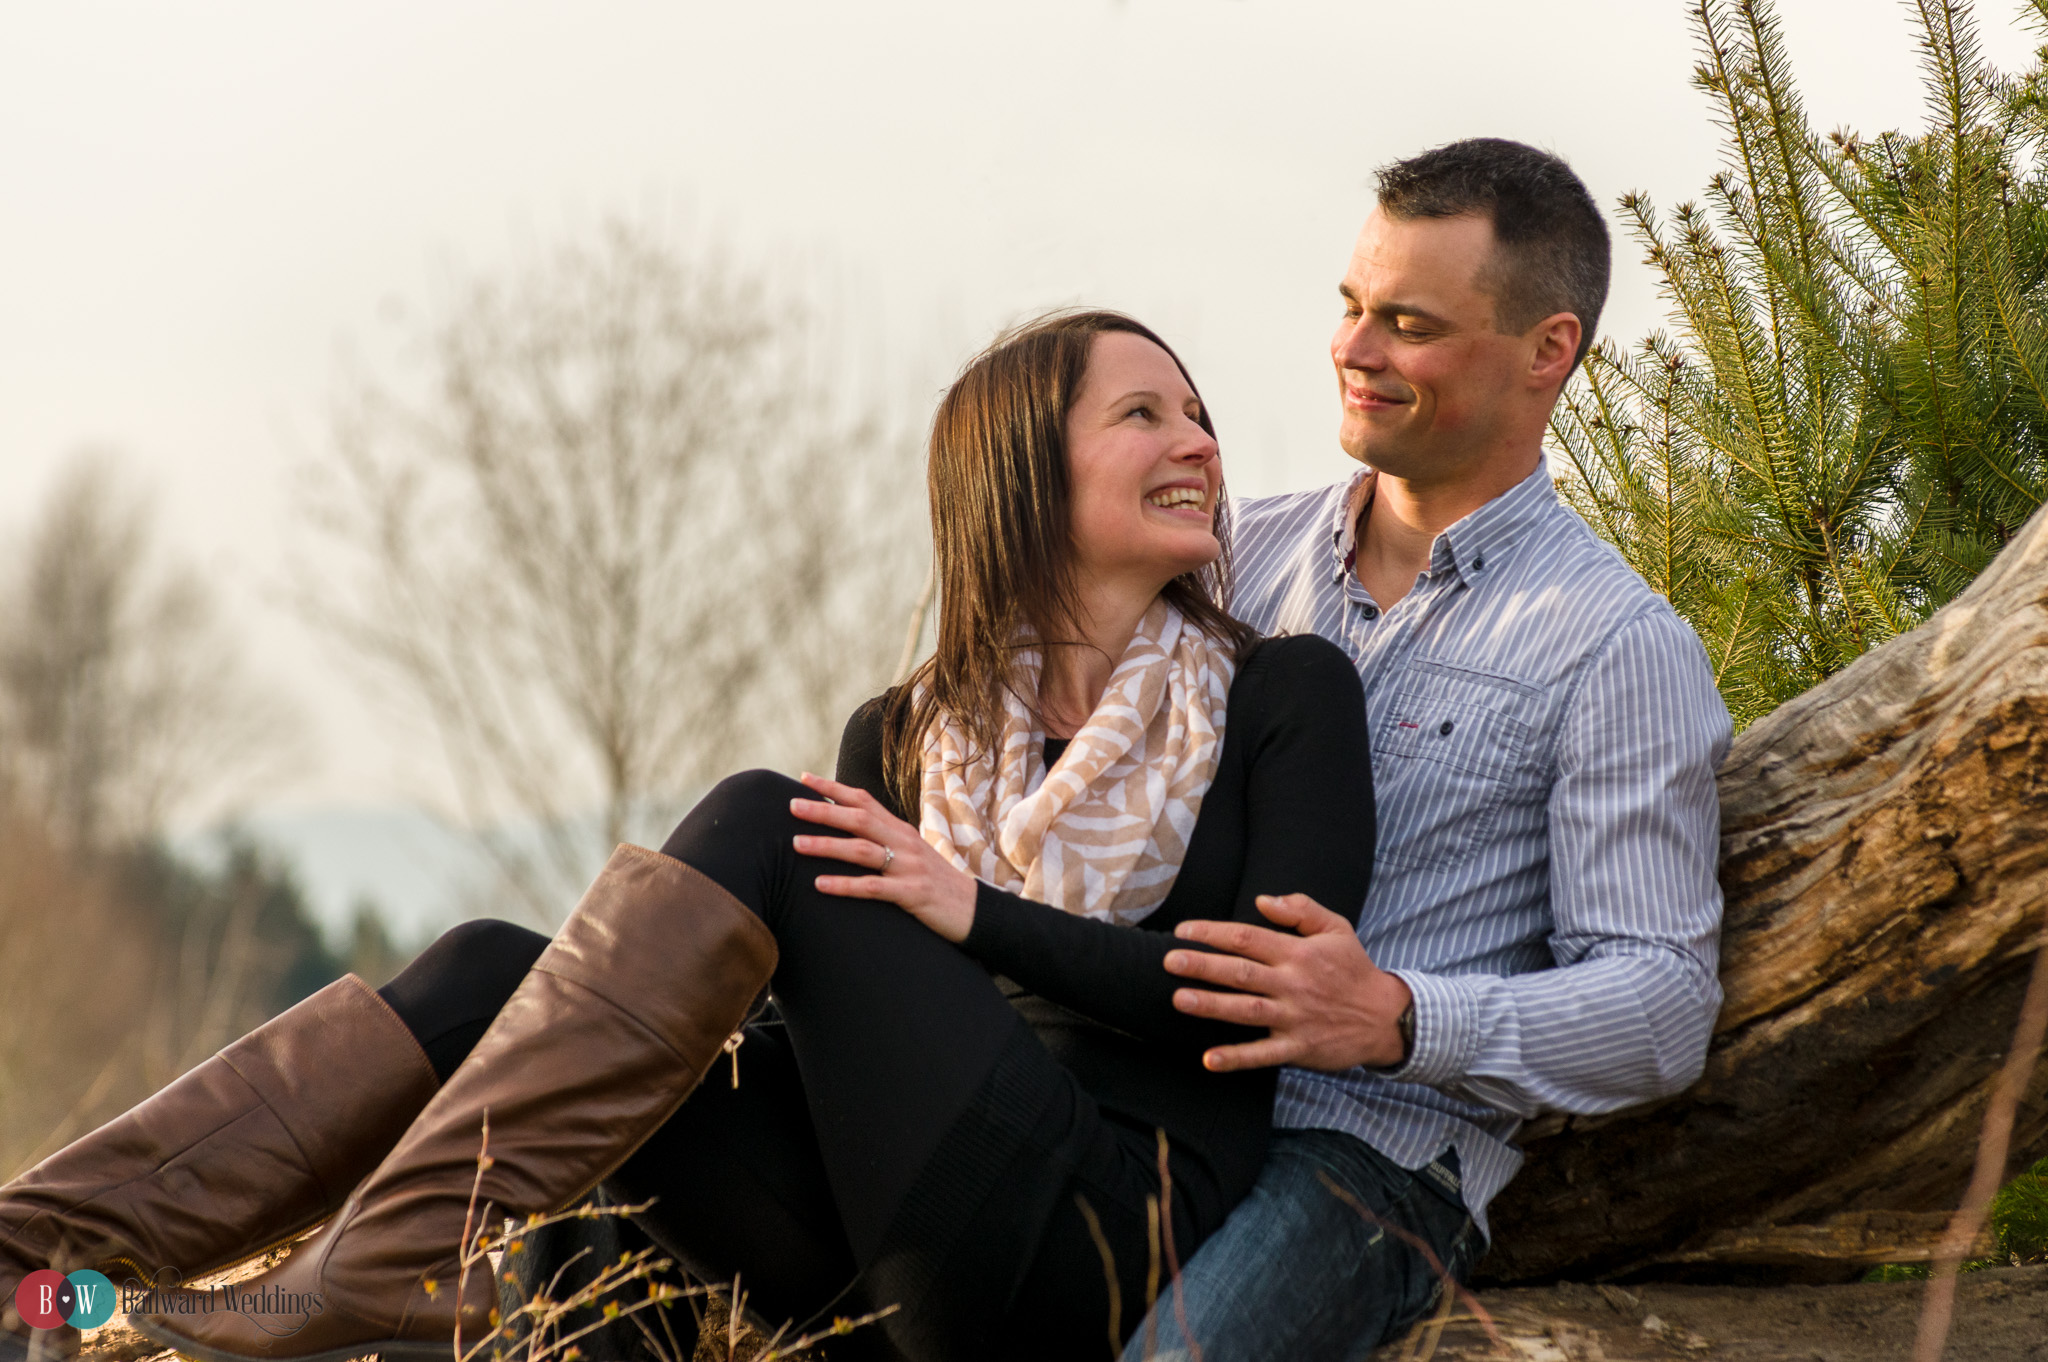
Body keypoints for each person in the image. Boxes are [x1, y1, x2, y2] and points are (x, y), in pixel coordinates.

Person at [0, 311, 1376, 1362]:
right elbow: (837, 1059)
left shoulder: (1283, 692)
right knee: (492, 966)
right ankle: (37, 1258)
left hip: (1096, 1238)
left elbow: (1248, 1004)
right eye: (1146, 413)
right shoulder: (906, 735)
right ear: (1022, 470)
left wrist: (971, 911)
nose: (1200, 442)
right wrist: (644, 1104)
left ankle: (395, 1258)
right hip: (876, 1242)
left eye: (1198, 413)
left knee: (768, 819)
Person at [1118, 139, 1735, 1360]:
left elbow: (1660, 1005)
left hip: (1366, 1156)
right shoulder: (1226, 560)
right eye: (1350, 308)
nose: (1353, 350)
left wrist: (1399, 1016)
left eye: (1407, 324)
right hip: (1146, 1095)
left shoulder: (1614, 645)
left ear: (1546, 351)